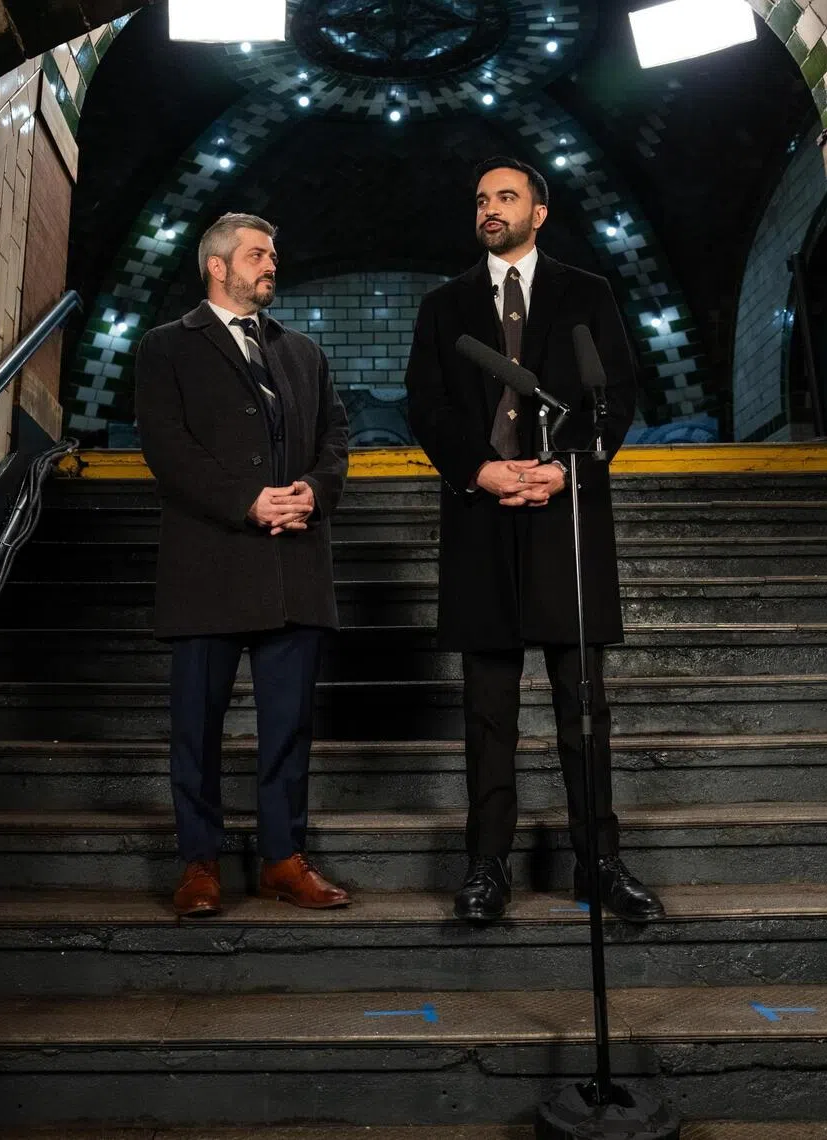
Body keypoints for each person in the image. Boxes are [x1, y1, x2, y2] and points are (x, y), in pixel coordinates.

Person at [404, 157, 665, 924]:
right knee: (488, 709)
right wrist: (480, 470)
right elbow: (427, 404)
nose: (490, 208)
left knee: (584, 703)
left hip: (566, 515)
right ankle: (486, 867)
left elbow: (612, 393)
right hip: (482, 518)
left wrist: (566, 468)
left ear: (539, 212)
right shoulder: (445, 304)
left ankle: (600, 863)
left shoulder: (588, 293)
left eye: (506, 196)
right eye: (481, 198)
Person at [135, 212, 351, 917]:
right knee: (196, 725)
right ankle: (200, 864)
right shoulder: (166, 347)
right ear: (217, 266)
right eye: (259, 253)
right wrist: (247, 502)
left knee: (288, 725)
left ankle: (282, 859)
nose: (272, 263)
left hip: (296, 566)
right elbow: (168, 451)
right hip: (210, 569)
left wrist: (313, 492)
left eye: (274, 252)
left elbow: (334, 442)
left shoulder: (304, 354)